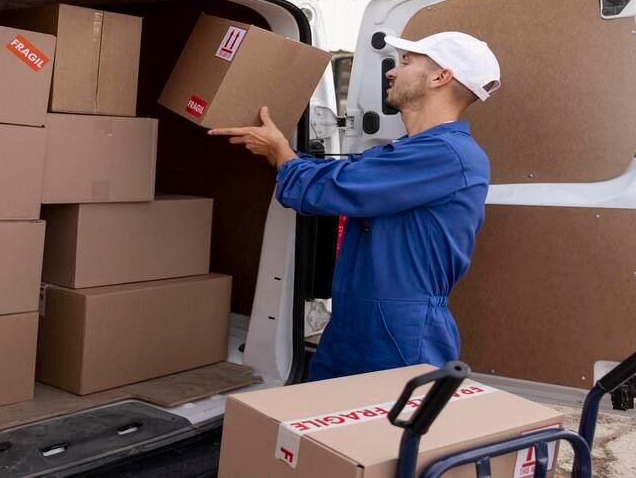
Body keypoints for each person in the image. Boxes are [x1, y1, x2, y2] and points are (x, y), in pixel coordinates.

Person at [208, 31, 500, 380]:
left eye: (406, 62)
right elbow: (345, 175)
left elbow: (335, 189)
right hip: (356, 318)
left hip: (399, 330)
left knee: (384, 430)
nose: (392, 71)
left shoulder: (447, 155)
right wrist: (284, 153)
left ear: (441, 77)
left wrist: (280, 153)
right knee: (322, 423)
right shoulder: (410, 151)